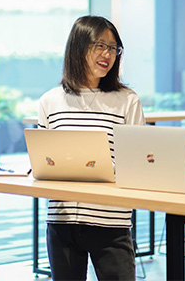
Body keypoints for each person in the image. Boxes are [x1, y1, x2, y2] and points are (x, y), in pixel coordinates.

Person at [37, 15, 145, 280]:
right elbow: (42, 162)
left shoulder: (127, 101)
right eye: (100, 45)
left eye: (113, 48)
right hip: (62, 221)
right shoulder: (50, 101)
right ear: (78, 47)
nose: (107, 54)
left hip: (112, 221)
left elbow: (138, 162)